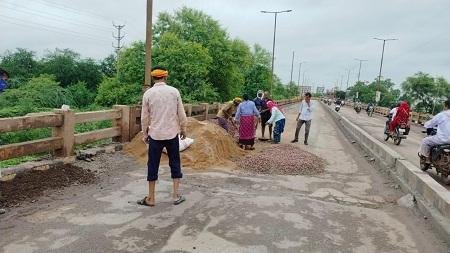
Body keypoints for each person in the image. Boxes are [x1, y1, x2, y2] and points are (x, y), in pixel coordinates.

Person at [138, 66, 187, 207]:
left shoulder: (148, 94)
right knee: (175, 163)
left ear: (153, 78)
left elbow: (144, 118)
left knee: (152, 164)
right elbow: (181, 114)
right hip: (172, 134)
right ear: (166, 77)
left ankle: (151, 198)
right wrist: (183, 129)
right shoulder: (174, 92)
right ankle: (176, 195)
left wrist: (145, 133)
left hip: (155, 135)